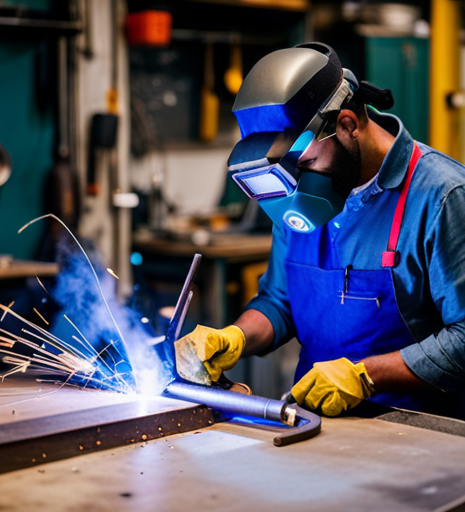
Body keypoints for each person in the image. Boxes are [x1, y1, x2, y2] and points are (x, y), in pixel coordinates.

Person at [174, 42, 465, 418]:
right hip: (316, 425)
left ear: (347, 124)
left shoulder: (442, 196)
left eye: (304, 162)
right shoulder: (296, 198)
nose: (295, 188)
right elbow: (280, 303)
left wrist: (366, 376)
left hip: (417, 433)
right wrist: (236, 337)